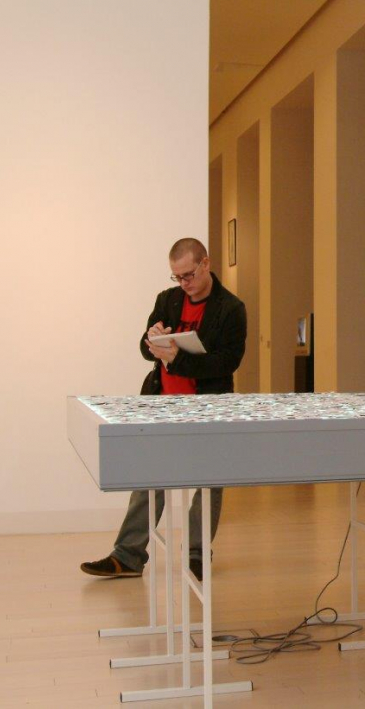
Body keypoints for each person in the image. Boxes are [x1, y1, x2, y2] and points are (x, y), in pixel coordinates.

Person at [81, 238, 247, 581]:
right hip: (162, 403)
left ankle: (196, 553)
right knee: (148, 477)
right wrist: (152, 337)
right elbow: (146, 350)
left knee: (209, 482)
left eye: (188, 275)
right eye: (177, 277)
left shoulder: (231, 308)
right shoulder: (167, 300)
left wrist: (177, 358)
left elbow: (227, 363)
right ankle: (128, 555)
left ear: (205, 264)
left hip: (209, 406)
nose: (183, 283)